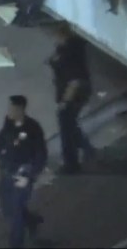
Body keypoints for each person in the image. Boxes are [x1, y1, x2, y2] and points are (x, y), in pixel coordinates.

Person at [0, 95, 47, 249]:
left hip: (22, 173)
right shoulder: (9, 124)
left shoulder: (33, 128)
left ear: (20, 110)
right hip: (6, 171)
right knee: (5, 206)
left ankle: (16, 244)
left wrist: (29, 176)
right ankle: (31, 221)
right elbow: (0, 141)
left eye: (12, 108)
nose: (9, 111)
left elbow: (41, 154)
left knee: (16, 212)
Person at [48, 25, 96, 174]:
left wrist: (65, 101)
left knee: (66, 128)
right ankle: (87, 149)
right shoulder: (68, 47)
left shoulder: (70, 52)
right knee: (70, 124)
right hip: (74, 92)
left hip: (73, 94)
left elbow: (75, 80)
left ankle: (71, 164)